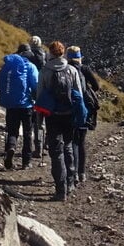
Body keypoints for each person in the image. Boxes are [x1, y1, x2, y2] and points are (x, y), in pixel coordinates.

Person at [36, 40, 82, 201]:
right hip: (68, 114)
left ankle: (60, 189)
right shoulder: (71, 70)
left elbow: (39, 95)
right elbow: (78, 94)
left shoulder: (44, 71)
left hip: (52, 115)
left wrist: (40, 117)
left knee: (56, 152)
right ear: (63, 53)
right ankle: (70, 183)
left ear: (49, 53)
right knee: (68, 146)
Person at [0, 43, 38, 170]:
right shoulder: (30, 67)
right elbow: (35, 85)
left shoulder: (7, 67)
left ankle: (11, 147)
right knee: (27, 133)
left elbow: (0, 84)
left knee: (12, 130)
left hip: (11, 105)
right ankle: (26, 162)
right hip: (26, 105)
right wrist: (36, 99)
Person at [66, 45, 100, 185]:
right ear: (80, 57)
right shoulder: (85, 69)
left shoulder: (65, 69)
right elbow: (97, 86)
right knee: (81, 142)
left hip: (68, 110)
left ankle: (71, 173)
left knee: (71, 141)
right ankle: (82, 173)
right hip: (84, 110)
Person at [29, 35, 47, 158]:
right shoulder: (45, 55)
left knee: (32, 121)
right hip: (43, 90)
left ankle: (33, 147)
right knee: (42, 121)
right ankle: (43, 145)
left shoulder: (28, 56)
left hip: (31, 90)